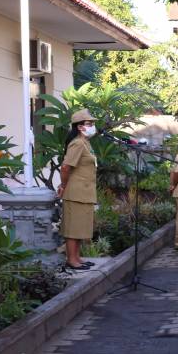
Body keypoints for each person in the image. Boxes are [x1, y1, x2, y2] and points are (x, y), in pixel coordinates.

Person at [58, 109, 98, 270]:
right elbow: (65, 167)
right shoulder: (78, 143)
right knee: (73, 228)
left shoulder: (86, 143)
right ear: (80, 127)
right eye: (89, 123)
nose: (92, 126)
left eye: (92, 123)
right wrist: (63, 185)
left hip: (84, 192)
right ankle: (71, 260)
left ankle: (77, 257)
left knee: (80, 226)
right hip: (76, 192)